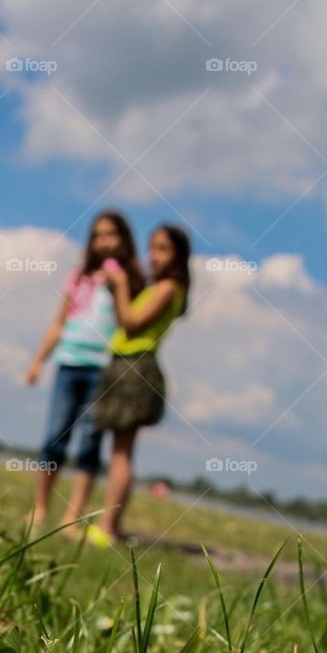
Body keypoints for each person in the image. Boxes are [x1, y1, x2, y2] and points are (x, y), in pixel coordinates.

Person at [25, 211, 144, 534]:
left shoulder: (131, 279)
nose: (104, 241)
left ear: (124, 239)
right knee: (54, 437)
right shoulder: (79, 277)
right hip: (69, 362)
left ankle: (71, 517)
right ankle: (40, 508)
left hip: (104, 369)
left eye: (111, 234)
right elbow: (59, 322)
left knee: (90, 444)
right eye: (98, 235)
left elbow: (129, 324)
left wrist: (118, 284)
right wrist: (38, 360)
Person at [87, 224, 191, 547]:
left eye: (163, 249)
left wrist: (118, 286)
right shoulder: (156, 286)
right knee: (119, 450)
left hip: (136, 367)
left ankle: (107, 526)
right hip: (126, 364)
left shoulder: (168, 288)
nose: (154, 255)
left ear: (178, 256)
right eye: (152, 247)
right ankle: (111, 525)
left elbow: (131, 322)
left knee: (121, 454)